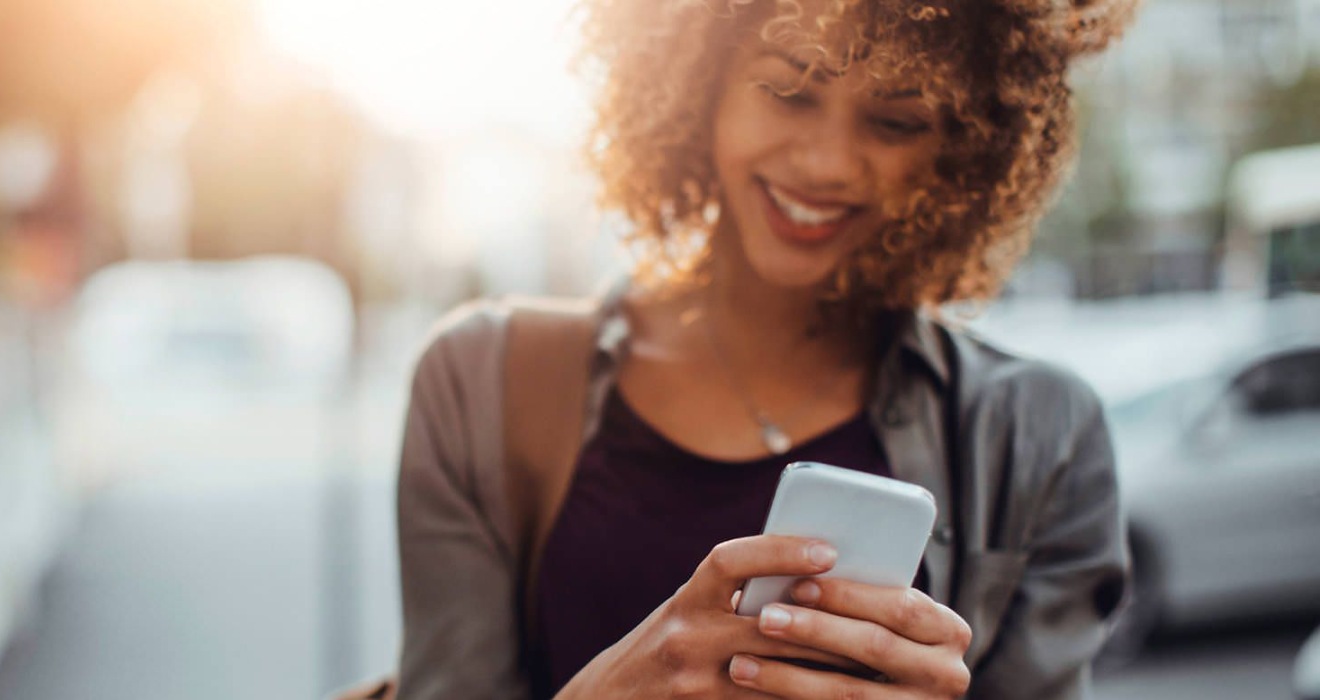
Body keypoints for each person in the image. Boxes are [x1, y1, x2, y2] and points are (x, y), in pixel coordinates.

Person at [393, 0, 1137, 698]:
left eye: (895, 121)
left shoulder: (1045, 434)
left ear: (963, 149)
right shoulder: (482, 381)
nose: (827, 164)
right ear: (697, 85)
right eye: (789, 93)